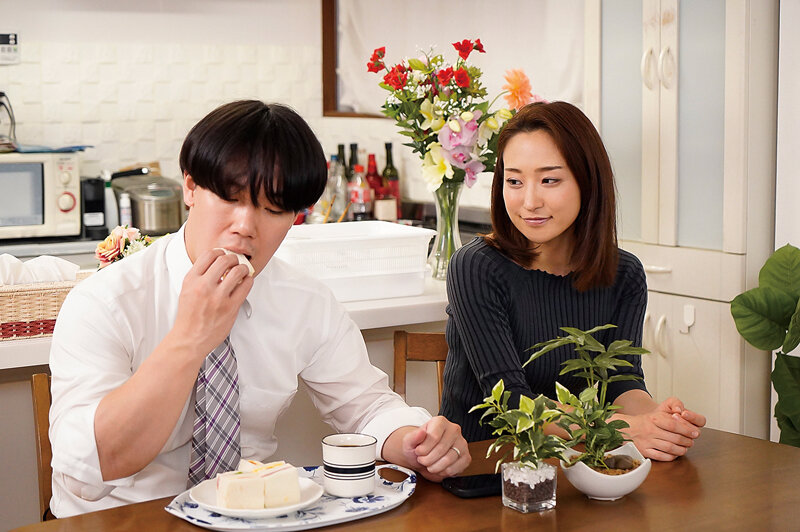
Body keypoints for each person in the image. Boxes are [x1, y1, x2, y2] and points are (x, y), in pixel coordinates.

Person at [48, 100, 470, 517]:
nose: (246, 227)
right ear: (190, 188)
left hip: (249, 519)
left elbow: (367, 406)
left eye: (273, 210)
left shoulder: (303, 300)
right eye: (230, 198)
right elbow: (95, 466)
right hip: (121, 521)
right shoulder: (106, 302)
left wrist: (414, 440)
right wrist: (190, 337)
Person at [440, 101, 705, 462]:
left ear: (587, 181)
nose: (529, 201)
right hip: (483, 471)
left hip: (576, 469)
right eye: (514, 181)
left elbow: (622, 380)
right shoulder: (476, 266)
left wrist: (657, 419)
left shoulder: (624, 273)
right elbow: (513, 402)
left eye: (549, 180)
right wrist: (627, 429)